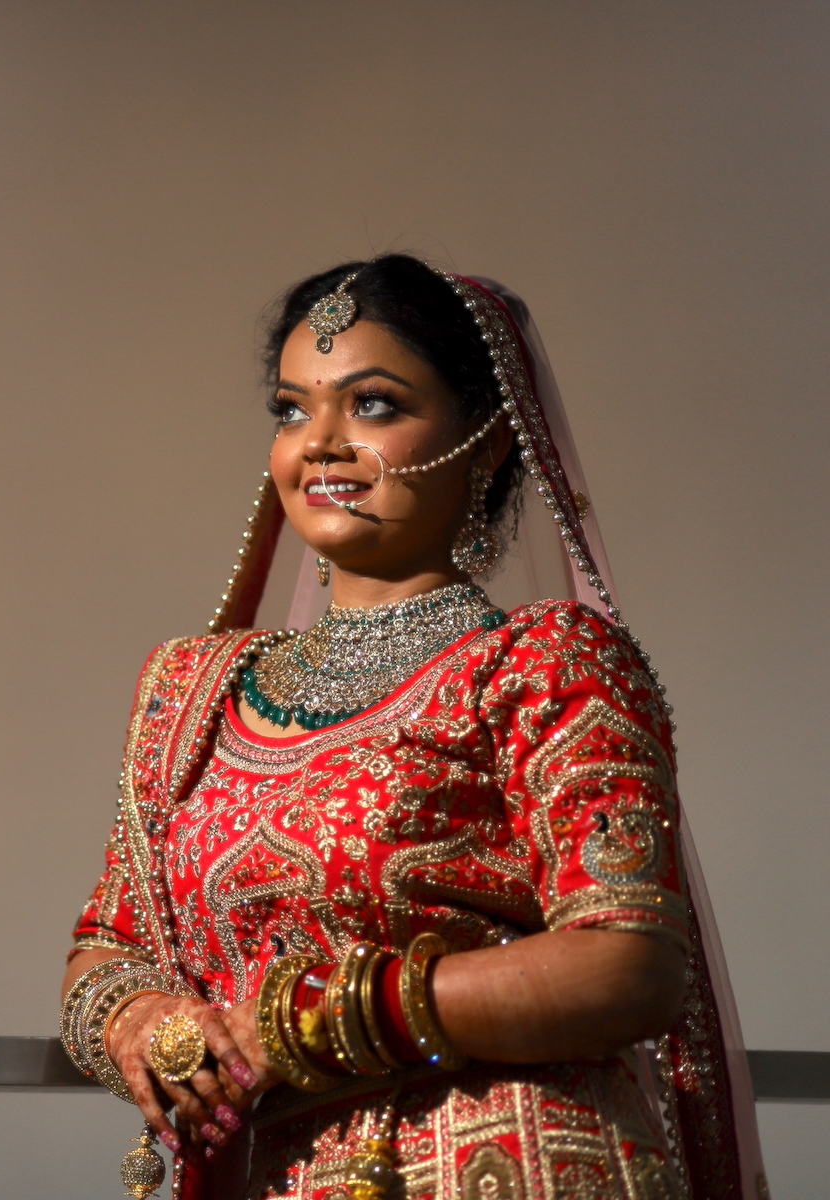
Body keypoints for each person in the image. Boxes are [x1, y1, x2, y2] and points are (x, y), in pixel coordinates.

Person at [59, 256, 765, 1200]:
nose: (321, 444)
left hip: (502, 1166)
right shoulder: (191, 688)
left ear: (487, 443)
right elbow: (112, 940)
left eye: (374, 405)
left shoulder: (544, 661)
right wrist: (137, 1022)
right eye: (291, 410)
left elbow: (628, 964)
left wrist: (303, 1023)